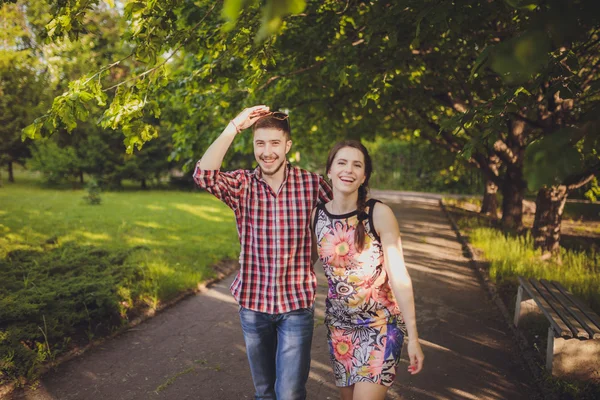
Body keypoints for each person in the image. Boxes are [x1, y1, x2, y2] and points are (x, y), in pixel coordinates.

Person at [193, 105, 333, 400]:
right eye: (260, 143)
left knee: (290, 393)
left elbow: (339, 220)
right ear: (253, 145)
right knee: (264, 393)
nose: (267, 152)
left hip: (296, 305)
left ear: (287, 146)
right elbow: (204, 175)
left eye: (274, 143)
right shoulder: (243, 184)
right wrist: (235, 126)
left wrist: (314, 256)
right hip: (253, 305)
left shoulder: (312, 184)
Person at [311, 140, 424, 400]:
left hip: (380, 327)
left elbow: (399, 276)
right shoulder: (317, 216)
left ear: (363, 176)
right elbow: (304, 263)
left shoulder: (379, 214)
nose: (348, 170)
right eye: (341, 162)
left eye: (356, 165)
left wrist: (414, 337)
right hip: (339, 331)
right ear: (329, 171)